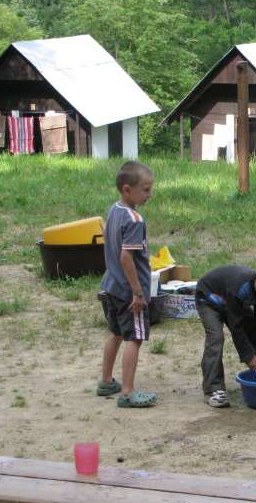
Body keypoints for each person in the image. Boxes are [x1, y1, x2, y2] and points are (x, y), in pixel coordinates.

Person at [97, 161, 157, 408]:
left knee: (117, 333)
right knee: (135, 337)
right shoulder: (134, 219)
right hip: (128, 292)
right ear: (127, 189)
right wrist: (138, 293)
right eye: (145, 190)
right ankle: (128, 392)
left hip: (112, 285)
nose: (149, 194)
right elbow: (126, 258)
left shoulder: (115, 210)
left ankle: (106, 381)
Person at [194, 263, 256, 408]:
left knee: (254, 330)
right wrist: (248, 355)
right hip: (210, 299)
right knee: (215, 338)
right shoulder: (239, 287)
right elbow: (236, 327)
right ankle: (213, 389)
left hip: (234, 303)